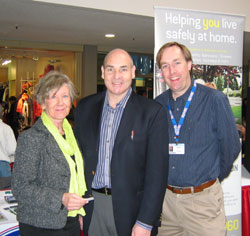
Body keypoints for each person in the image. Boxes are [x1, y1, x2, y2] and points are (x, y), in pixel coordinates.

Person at [74, 48, 169, 236]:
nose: (117, 76)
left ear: (133, 72)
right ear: (102, 72)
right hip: (93, 207)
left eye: (123, 69)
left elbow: (157, 175)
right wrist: (78, 207)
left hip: (133, 212)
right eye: (110, 69)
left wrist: (145, 221)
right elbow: (77, 162)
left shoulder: (152, 113)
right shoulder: (85, 108)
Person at [155, 41, 241, 236]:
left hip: (203, 205)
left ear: (189, 64)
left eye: (176, 63)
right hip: (166, 204)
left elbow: (231, 147)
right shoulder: (158, 105)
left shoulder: (214, 99)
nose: (172, 71)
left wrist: (210, 180)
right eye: (165, 66)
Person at [12, 71, 88, 236]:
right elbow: (20, 188)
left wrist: (78, 212)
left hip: (70, 221)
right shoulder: (31, 138)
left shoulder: (72, 137)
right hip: (41, 225)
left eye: (65, 96)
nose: (60, 102)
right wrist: (61, 198)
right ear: (43, 102)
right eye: (54, 96)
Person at [0, 104, 16, 177]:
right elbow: (12, 149)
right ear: (3, 113)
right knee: (4, 188)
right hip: (3, 165)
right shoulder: (6, 128)